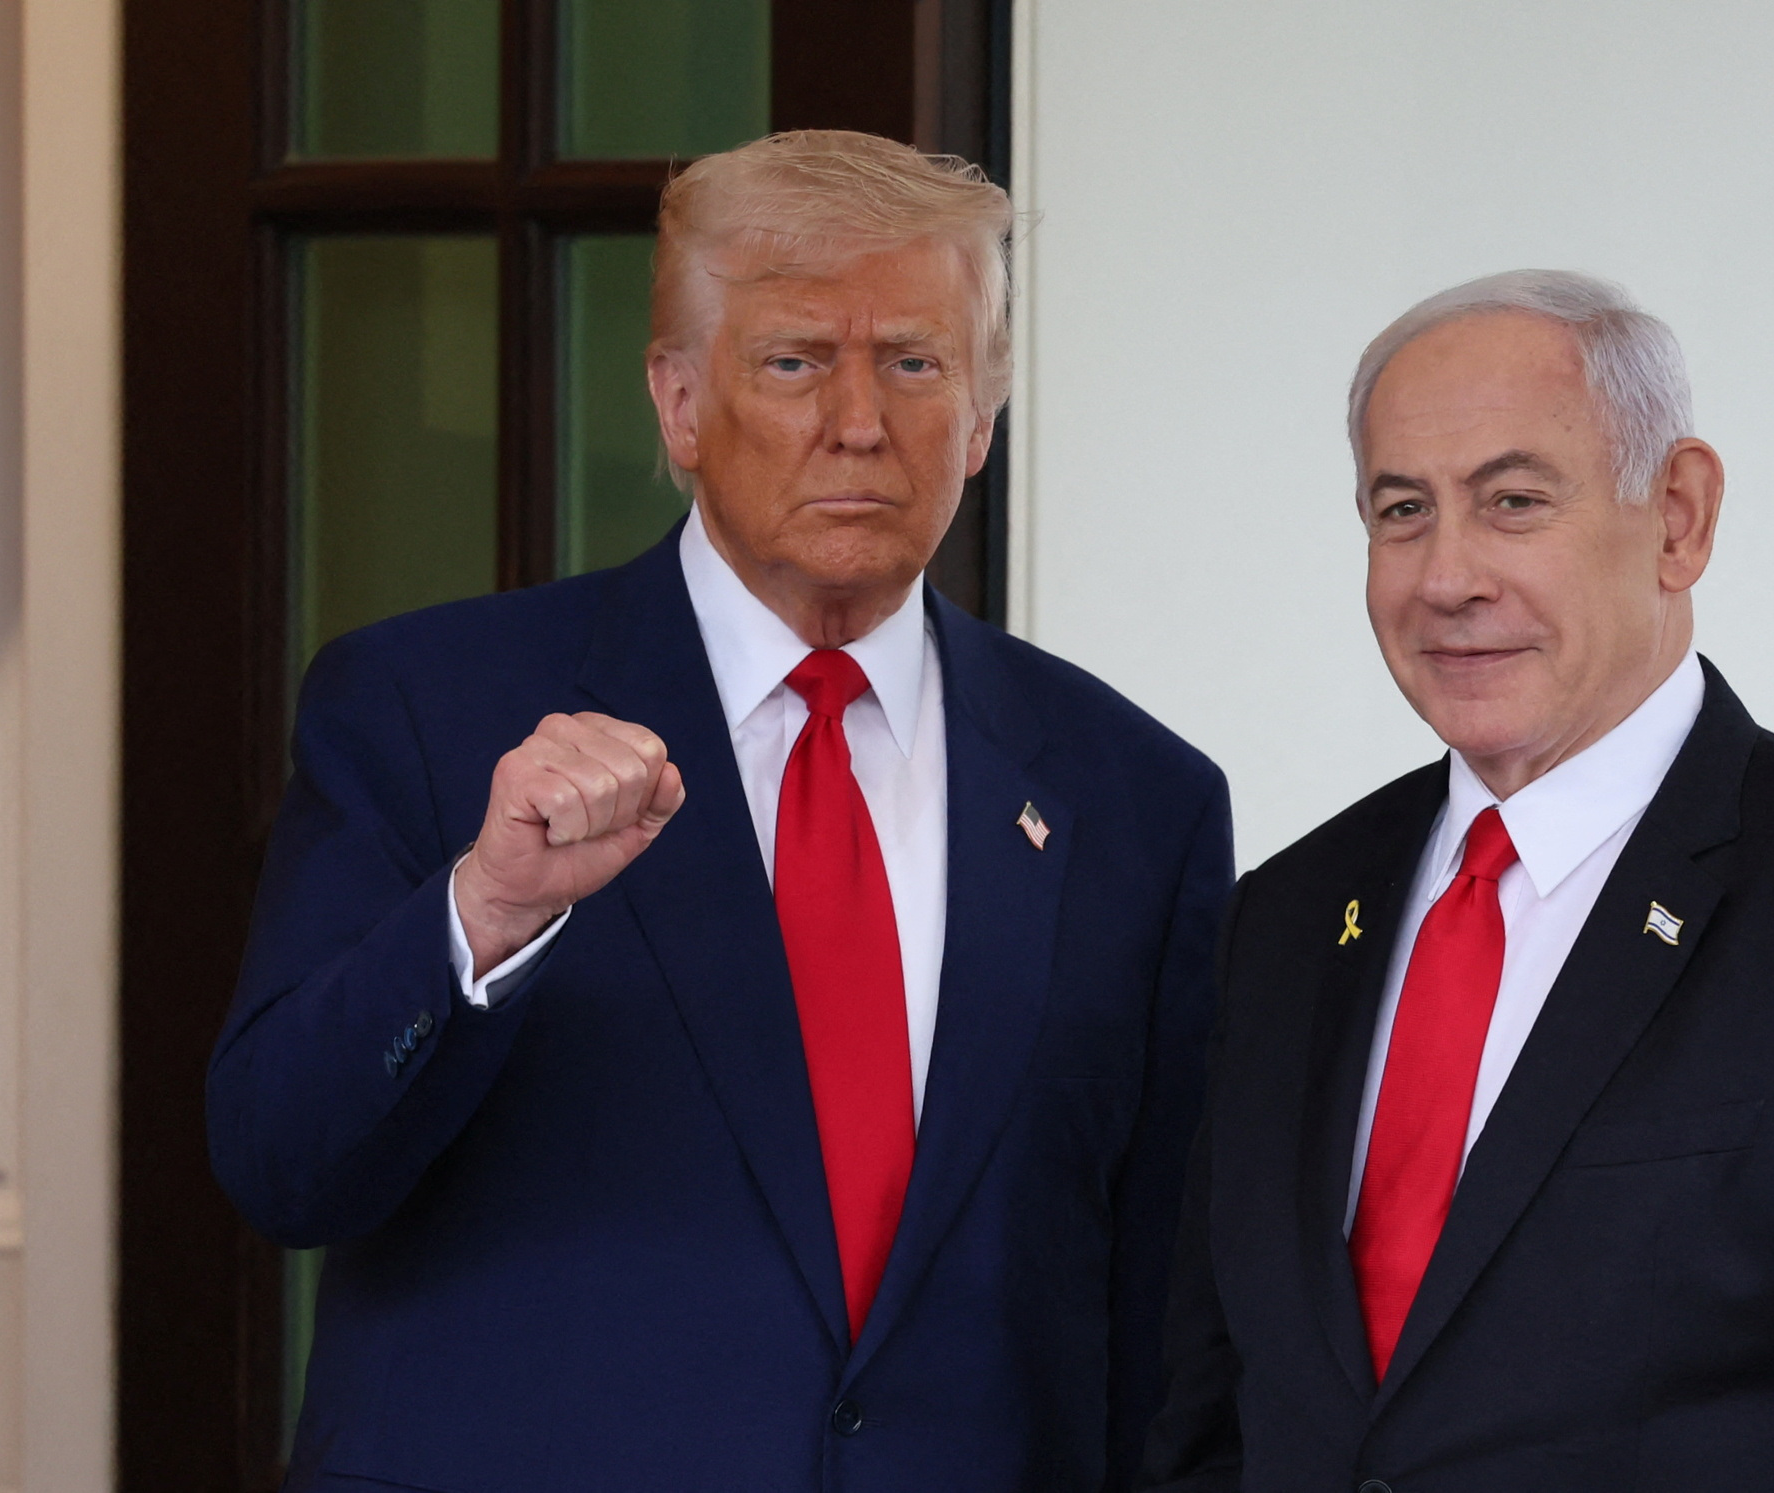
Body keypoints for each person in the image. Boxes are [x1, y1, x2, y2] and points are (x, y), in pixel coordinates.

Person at [208, 130, 1231, 1493]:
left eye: (915, 364)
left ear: (981, 421)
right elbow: (283, 1165)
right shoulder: (426, 708)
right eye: (795, 360)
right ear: (679, 403)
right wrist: (488, 911)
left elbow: (1158, 1318)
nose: (858, 420)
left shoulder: (1133, 796)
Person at [1138, 270, 1774, 1491]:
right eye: (1400, 511)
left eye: (1514, 501)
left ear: (1679, 516)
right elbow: (1212, 1425)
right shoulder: (1285, 918)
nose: (1446, 577)